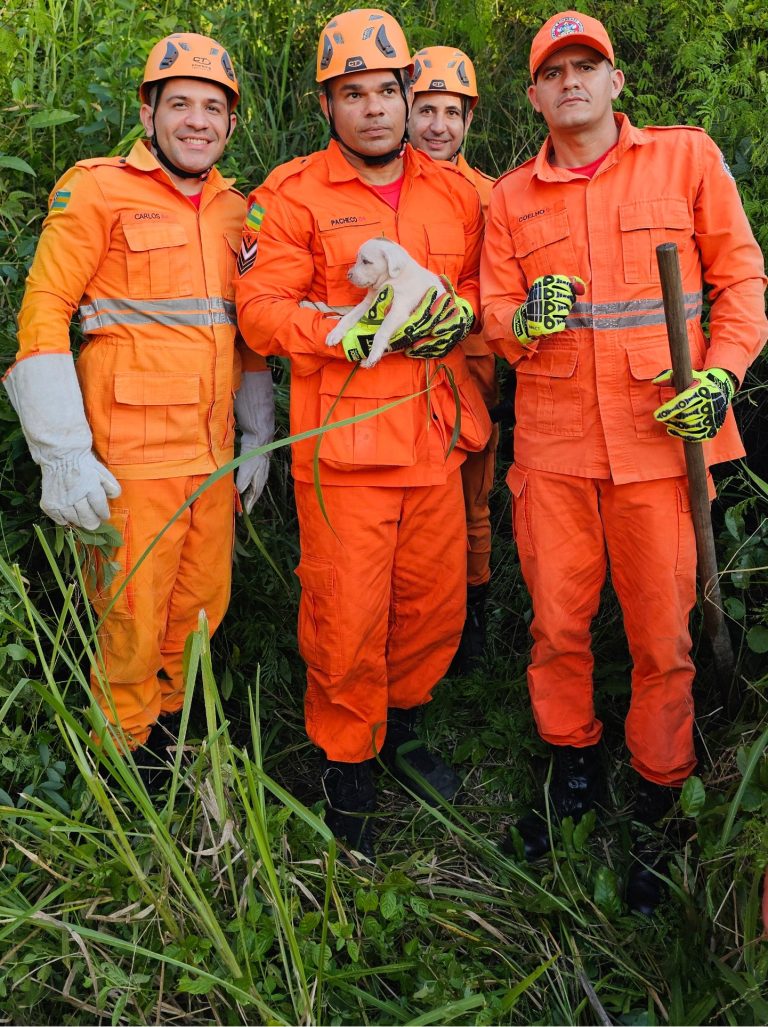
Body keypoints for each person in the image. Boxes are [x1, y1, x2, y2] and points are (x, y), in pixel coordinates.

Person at [481, 11, 767, 911]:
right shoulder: (508, 197)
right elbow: (493, 312)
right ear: (534, 95)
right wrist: (523, 320)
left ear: (615, 83)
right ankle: (572, 765)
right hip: (555, 451)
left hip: (659, 444)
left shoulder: (685, 160)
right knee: (558, 626)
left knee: (661, 636)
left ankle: (657, 789)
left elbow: (742, 280)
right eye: (554, 71)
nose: (571, 81)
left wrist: (720, 377)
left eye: (586, 67)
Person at [234, 9, 491, 857]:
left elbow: (489, 297)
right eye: (354, 94)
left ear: (410, 94)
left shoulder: (458, 192)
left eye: (388, 90)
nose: (375, 108)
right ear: (327, 105)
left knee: (431, 607)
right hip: (344, 453)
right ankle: (349, 764)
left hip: (438, 440)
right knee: (345, 619)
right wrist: (339, 328)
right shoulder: (294, 193)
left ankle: (406, 725)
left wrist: (462, 316)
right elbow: (261, 312)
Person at [4, 33, 275, 775]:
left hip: (213, 458)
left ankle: (167, 736)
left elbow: (245, 326)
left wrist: (257, 430)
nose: (197, 120)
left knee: (199, 611)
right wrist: (61, 451)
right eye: (179, 103)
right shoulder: (95, 187)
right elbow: (43, 313)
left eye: (213, 108)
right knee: (129, 620)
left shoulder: (237, 209)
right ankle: (122, 770)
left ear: (231, 122)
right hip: (128, 464)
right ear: (148, 112)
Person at [408, 46, 498, 673]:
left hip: (475, 367)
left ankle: (473, 617)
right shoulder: (389, 183)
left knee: (474, 498)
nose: (439, 125)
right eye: (426, 109)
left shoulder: (493, 196)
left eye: (452, 112)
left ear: (469, 120)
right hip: (405, 376)